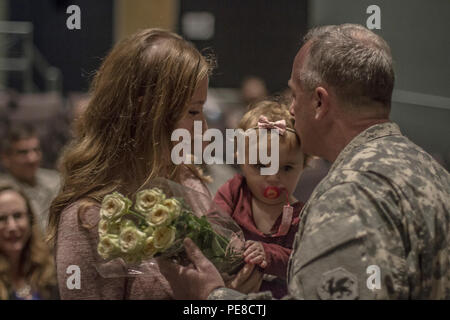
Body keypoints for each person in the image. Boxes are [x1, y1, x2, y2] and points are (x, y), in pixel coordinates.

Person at [157, 24, 450, 300]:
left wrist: (215, 297)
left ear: (320, 102)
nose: (292, 110)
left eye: (295, 96)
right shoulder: (431, 170)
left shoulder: (349, 196)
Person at [47, 28, 214, 299]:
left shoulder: (190, 180)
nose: (205, 128)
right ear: (146, 112)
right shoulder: (89, 217)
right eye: (193, 111)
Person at [214, 100, 309, 298]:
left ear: (305, 164)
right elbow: (212, 223)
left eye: (287, 168)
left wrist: (269, 253)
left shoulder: (302, 216)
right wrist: (224, 240)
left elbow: (301, 262)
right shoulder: (234, 190)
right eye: (261, 165)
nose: (273, 177)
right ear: (241, 160)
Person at [0, 182, 58, 300]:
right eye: (1, 218)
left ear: (30, 220)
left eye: (17, 216)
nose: (12, 227)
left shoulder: (49, 267)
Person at [0, 124, 60, 233]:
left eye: (36, 150)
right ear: (6, 158)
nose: (32, 159)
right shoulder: (3, 190)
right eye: (23, 152)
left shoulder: (56, 180)